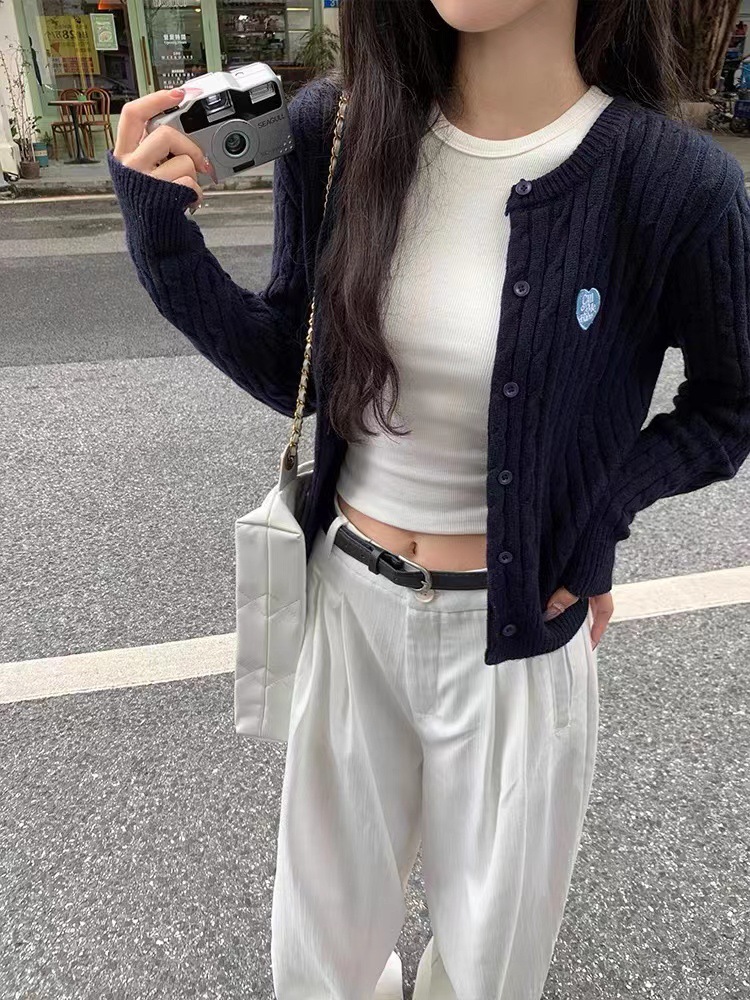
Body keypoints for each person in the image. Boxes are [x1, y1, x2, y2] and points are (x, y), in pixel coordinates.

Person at [107, 1, 750, 997]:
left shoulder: (674, 183)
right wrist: (163, 245)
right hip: (349, 611)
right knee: (317, 960)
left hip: (519, 638)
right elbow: (298, 369)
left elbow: (728, 406)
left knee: (492, 967)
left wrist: (596, 519)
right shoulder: (337, 128)